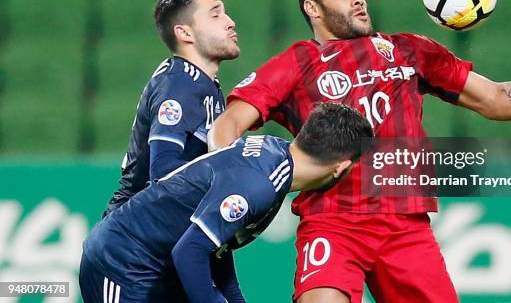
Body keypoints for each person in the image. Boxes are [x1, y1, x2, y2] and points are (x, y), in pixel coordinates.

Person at [209, 0, 511, 302]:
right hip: (334, 220)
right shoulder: (297, 63)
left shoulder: (409, 50)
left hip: (406, 225)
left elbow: (496, 98)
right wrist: (232, 189)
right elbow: (229, 125)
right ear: (312, 8)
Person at [79, 103, 374, 303]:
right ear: (341, 167)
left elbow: (216, 248)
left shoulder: (274, 154)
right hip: (122, 262)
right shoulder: (259, 185)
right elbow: (190, 251)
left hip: (154, 263)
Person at [102, 0, 239, 217]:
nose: (230, 22)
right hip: (137, 233)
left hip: (156, 227)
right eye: (216, 15)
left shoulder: (203, 83)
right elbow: (164, 174)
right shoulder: (180, 84)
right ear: (185, 33)